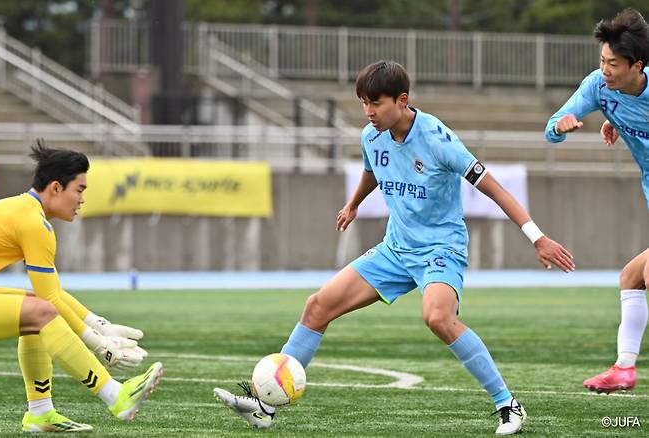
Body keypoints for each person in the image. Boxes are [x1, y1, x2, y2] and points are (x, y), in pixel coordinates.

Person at [214, 60, 575, 435]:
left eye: (376, 103)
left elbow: (496, 189)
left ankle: (507, 404)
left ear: (402, 101)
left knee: (437, 318)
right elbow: (373, 169)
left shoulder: (438, 139)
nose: (368, 112)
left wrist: (538, 237)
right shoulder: (371, 136)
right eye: (363, 103)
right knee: (317, 306)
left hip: (441, 248)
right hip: (395, 249)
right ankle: (265, 406)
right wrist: (354, 203)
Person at [0, 140, 164, 432]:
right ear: (56, 188)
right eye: (79, 190)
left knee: (34, 310)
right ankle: (115, 396)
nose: (82, 199)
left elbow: (51, 294)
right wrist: (100, 346)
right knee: (40, 312)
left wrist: (100, 325)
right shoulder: (35, 224)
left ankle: (40, 412)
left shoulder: (25, 212)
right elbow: (52, 301)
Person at [545, 8, 649, 394]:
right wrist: (561, 126)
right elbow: (550, 129)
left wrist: (623, 120)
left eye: (613, 64)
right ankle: (624, 368)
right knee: (632, 277)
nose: (604, 69)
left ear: (637, 66)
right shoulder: (599, 87)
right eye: (602, 60)